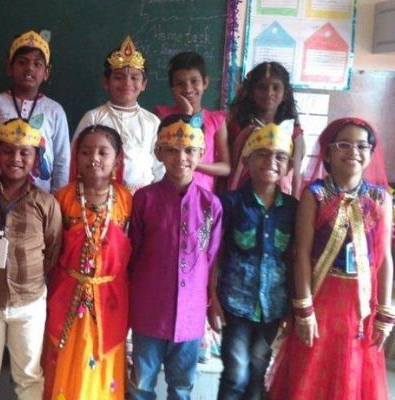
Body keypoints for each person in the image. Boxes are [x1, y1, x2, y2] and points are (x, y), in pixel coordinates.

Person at [267, 118, 393, 400]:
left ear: (371, 153)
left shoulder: (380, 199)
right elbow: (301, 254)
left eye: (361, 146)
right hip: (321, 299)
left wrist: (385, 313)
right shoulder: (315, 195)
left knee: (352, 370)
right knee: (311, 369)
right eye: (344, 145)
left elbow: (384, 258)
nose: (353, 151)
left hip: (361, 305)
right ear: (327, 152)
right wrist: (304, 308)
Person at [0, 117, 63, 399]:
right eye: (8, 151)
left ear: (36, 158)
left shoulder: (46, 203)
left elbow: (52, 249)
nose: (16, 159)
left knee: (29, 375)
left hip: (30, 302)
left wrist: (32, 277)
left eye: (25, 153)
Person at [128, 114, 223, 400]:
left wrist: (210, 304)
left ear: (201, 153)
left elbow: (211, 259)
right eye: (171, 150)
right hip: (149, 312)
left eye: (189, 150)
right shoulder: (144, 199)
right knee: (141, 385)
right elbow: (133, 254)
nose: (181, 157)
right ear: (159, 152)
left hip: (191, 314)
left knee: (181, 387)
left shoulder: (211, 204)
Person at [43, 125, 133, 399]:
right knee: (67, 355)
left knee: (102, 359)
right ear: (76, 157)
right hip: (67, 292)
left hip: (110, 296)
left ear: (117, 159)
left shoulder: (126, 200)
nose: (94, 158)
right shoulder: (63, 198)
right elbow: (52, 249)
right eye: (85, 152)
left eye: (103, 152)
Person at [208, 123, 297, 400]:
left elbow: (294, 259)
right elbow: (214, 254)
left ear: (288, 166)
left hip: (273, 306)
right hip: (235, 304)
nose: (271, 162)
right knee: (236, 374)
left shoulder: (293, 208)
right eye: (262, 154)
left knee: (258, 371)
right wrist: (212, 299)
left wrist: (292, 307)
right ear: (247, 160)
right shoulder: (229, 202)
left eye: (280, 156)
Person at [0, 30, 69, 193]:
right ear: (9, 67)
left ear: (46, 72)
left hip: (40, 199)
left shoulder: (55, 111)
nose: (29, 68)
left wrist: (57, 201)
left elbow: (61, 162)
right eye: (22, 62)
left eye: (37, 64)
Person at [73, 34, 162, 194]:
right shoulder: (94, 117)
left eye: (134, 77)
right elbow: (75, 160)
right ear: (106, 82)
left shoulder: (152, 121)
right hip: (100, 197)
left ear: (143, 84)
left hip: (143, 197)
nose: (127, 83)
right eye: (119, 77)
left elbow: (160, 166)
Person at [155, 52, 230, 192]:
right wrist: (186, 113)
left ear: (205, 82)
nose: (188, 88)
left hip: (203, 195)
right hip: (167, 192)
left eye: (194, 81)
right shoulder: (163, 117)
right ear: (172, 88)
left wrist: (192, 163)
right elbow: (156, 157)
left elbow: (226, 168)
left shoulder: (216, 120)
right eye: (180, 83)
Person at [227, 61, 304, 195]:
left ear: (285, 93)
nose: (269, 93)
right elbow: (232, 165)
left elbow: (295, 175)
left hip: (279, 196)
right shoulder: (238, 126)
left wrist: (295, 202)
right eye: (262, 87)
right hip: (242, 195)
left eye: (276, 88)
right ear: (251, 92)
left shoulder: (292, 131)